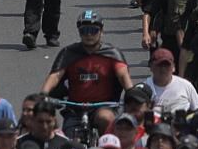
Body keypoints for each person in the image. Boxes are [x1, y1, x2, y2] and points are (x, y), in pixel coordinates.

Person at [41, 9, 133, 138]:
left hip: (104, 106)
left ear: (101, 31)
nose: (89, 35)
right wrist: (43, 94)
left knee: (105, 118)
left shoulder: (112, 54)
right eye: (84, 31)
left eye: (93, 30)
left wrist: (131, 93)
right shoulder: (69, 53)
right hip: (75, 108)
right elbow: (55, 76)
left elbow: (123, 75)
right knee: (67, 139)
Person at [145, 48, 198, 117]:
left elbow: (197, 110)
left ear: (173, 67)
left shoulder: (186, 85)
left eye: (167, 65)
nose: (163, 69)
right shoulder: (144, 88)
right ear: (151, 67)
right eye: (159, 65)